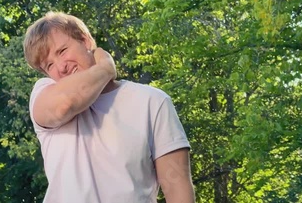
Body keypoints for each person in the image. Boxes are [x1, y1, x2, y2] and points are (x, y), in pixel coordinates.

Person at [23, 11, 195, 203]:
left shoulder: (152, 101)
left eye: (62, 51)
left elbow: (177, 188)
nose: (61, 67)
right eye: (49, 65)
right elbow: (65, 105)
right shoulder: (43, 95)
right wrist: (105, 68)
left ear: (85, 41)